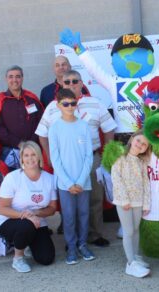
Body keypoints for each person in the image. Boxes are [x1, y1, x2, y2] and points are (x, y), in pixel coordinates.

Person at [36, 70, 117, 244]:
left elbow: (109, 128)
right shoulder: (53, 107)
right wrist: (49, 155)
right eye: (67, 82)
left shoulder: (95, 103)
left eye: (75, 81)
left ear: (81, 83)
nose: (71, 84)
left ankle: (94, 234)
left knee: (95, 199)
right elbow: (42, 134)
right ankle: (71, 239)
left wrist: (106, 153)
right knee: (68, 202)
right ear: (61, 85)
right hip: (64, 162)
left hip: (92, 158)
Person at [48, 88, 95, 264]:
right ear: (58, 105)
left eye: (72, 103)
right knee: (68, 216)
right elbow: (55, 159)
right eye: (65, 103)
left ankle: (83, 244)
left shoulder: (83, 126)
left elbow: (88, 156)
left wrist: (81, 181)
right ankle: (72, 247)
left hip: (83, 182)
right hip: (65, 183)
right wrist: (68, 183)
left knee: (84, 214)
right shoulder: (55, 129)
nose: (69, 106)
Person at [0, 141, 58, 273]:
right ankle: (18, 258)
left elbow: (52, 208)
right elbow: (2, 209)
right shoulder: (12, 178)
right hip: (10, 221)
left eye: (33, 154)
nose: (30, 158)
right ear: (21, 158)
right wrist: (26, 215)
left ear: (39, 157)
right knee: (26, 225)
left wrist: (34, 212)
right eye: (26, 155)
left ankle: (26, 242)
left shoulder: (49, 179)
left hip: (37, 222)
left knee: (46, 258)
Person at [111, 130, 152, 278]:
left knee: (135, 230)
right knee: (128, 231)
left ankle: (135, 256)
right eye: (139, 140)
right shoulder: (120, 157)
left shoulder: (142, 162)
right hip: (124, 202)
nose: (140, 145)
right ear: (132, 139)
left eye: (144, 144)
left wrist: (146, 204)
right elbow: (116, 178)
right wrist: (125, 200)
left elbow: (146, 183)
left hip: (138, 201)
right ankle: (130, 263)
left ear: (147, 148)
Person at [0, 65, 43, 170]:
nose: (14, 80)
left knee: (33, 179)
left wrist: (31, 144)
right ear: (6, 79)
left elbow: (41, 123)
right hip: (10, 151)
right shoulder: (0, 100)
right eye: (11, 77)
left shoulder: (32, 98)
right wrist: (19, 144)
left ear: (22, 78)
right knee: (13, 182)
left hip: (33, 149)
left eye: (18, 76)